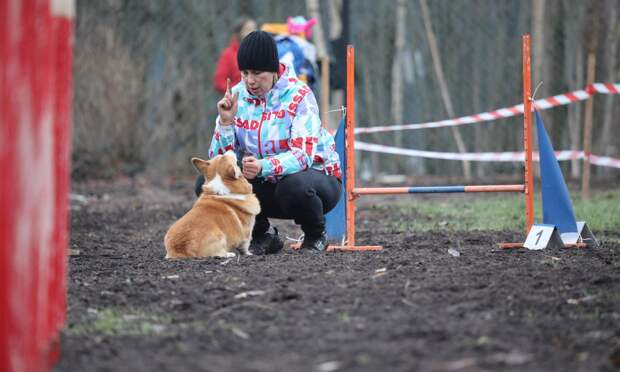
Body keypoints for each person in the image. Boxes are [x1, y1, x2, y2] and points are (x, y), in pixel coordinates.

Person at [198, 30, 342, 254]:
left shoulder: (299, 95)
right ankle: (262, 235)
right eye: (244, 73)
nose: (250, 81)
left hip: (315, 180)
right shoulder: (236, 96)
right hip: (265, 184)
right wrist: (226, 124)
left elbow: (303, 156)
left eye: (257, 73)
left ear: (274, 69)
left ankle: (316, 234)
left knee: (293, 186)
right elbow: (219, 160)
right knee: (209, 182)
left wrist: (263, 166)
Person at [212, 17, 257, 94]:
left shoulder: (260, 52)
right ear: (239, 33)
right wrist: (239, 90)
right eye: (248, 29)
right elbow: (219, 82)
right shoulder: (229, 55)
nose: (253, 32)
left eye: (254, 29)